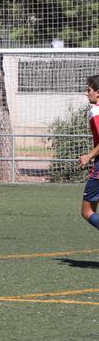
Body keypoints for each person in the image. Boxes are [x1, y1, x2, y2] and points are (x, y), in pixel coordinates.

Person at [78, 75, 99, 232]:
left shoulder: (96, 111)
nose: (87, 93)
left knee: (87, 211)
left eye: (89, 90)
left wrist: (89, 155)